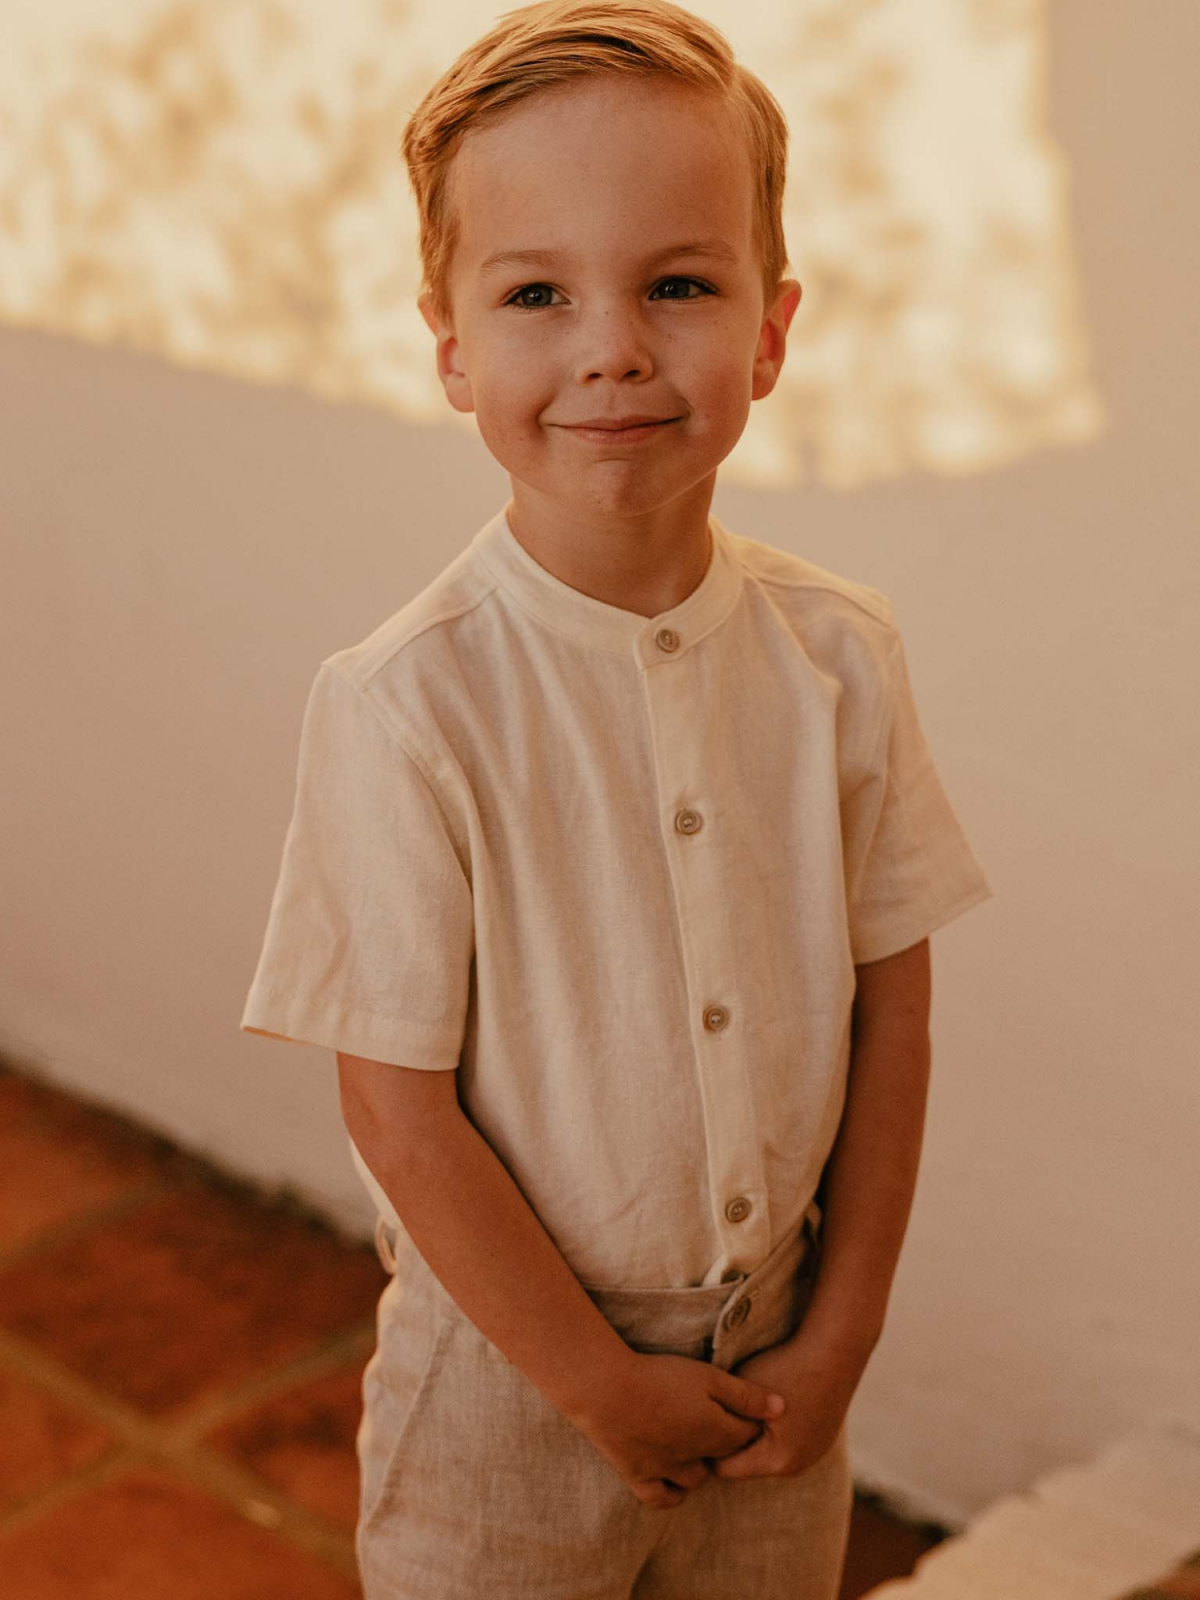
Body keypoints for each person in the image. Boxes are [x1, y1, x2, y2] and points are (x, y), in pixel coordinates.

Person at [239, 2, 994, 1594]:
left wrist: (843, 1332)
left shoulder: (837, 658)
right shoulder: (403, 704)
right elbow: (396, 1102)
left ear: (771, 330)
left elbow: (894, 1015)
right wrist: (595, 1385)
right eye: (535, 293)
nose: (613, 347)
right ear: (450, 346)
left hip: (780, 1365)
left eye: (678, 283)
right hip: (506, 1393)